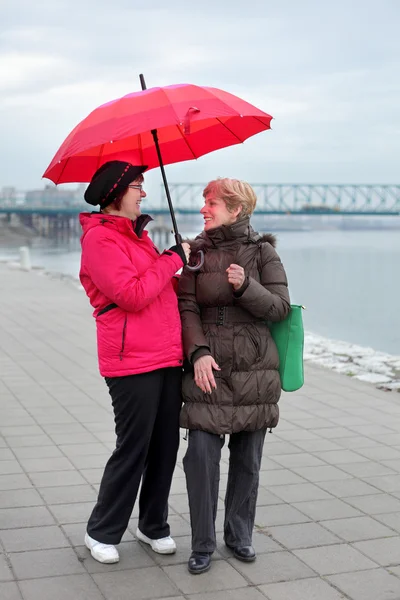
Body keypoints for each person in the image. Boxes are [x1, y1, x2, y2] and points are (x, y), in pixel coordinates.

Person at [79, 160, 190, 564]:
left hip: (165, 354)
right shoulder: (100, 241)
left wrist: (179, 267)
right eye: (138, 186)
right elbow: (131, 294)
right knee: (134, 446)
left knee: (163, 445)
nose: (144, 192)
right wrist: (170, 260)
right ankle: (102, 531)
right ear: (116, 192)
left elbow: (158, 288)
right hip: (131, 360)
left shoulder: (137, 237)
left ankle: (153, 525)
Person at [178, 177, 291, 574]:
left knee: (248, 460)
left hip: (253, 367)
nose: (204, 209)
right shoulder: (196, 253)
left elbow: (280, 308)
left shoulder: (264, 253)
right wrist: (198, 352)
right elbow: (186, 306)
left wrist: (247, 287)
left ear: (236, 209)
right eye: (203, 202)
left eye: (211, 203)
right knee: (201, 457)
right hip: (208, 367)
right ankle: (202, 543)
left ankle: (239, 534)